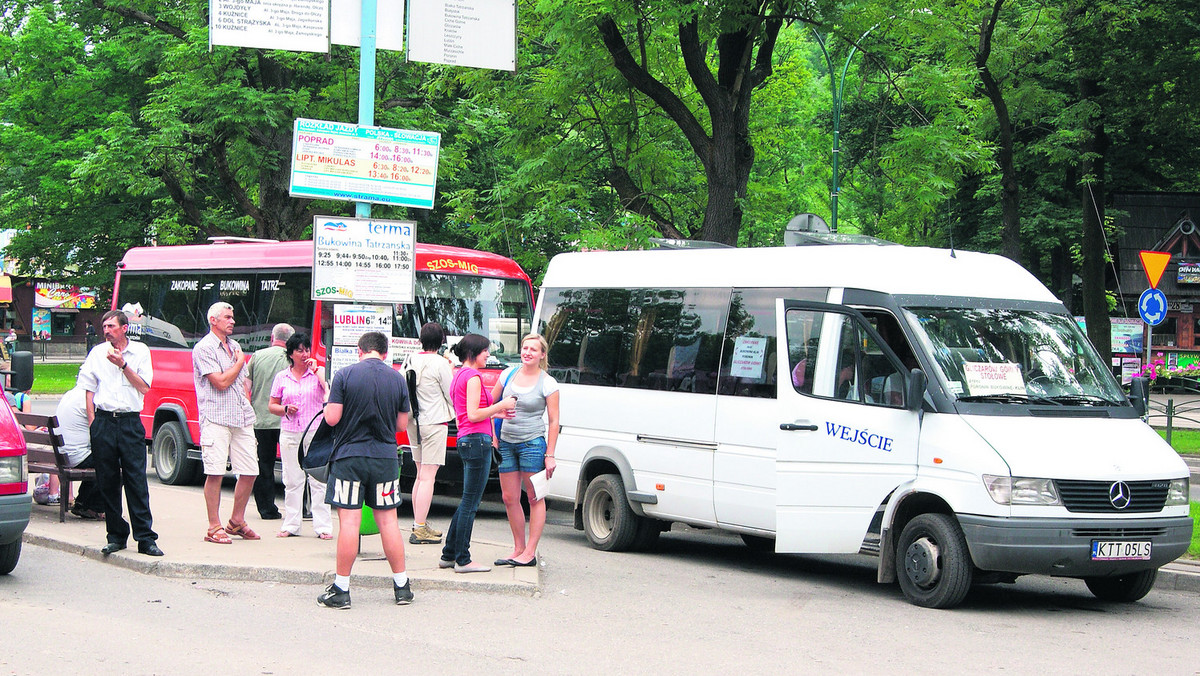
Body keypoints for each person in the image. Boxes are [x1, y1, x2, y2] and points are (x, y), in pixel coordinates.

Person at [317, 331, 413, 609]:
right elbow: (402, 426)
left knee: (349, 523)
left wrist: (327, 401)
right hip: (384, 458)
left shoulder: (345, 375)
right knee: (389, 523)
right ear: (385, 353)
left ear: (360, 350)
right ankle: (402, 586)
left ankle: (341, 589)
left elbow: (333, 418)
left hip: (350, 458)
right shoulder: (397, 378)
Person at [77, 309, 161, 557]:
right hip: (104, 421)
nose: (106, 330)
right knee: (108, 481)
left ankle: (145, 538)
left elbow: (144, 387)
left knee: (136, 480)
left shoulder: (140, 352)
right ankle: (115, 535)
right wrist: (94, 424)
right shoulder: (97, 353)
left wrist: (123, 365)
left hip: (129, 422)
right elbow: (88, 389)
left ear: (124, 328)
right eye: (104, 327)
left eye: (111, 326)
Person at [438, 333, 516, 574]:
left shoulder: (459, 374)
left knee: (466, 501)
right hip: (476, 441)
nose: (488, 356)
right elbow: (473, 414)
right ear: (473, 353)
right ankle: (463, 558)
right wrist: (501, 405)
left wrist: (494, 412)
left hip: (467, 439)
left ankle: (450, 554)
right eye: (485, 352)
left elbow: (470, 413)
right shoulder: (472, 377)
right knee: (471, 503)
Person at [192, 301, 260, 545]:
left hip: (241, 416)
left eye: (233, 317)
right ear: (214, 320)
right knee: (215, 471)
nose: (232, 321)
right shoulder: (204, 348)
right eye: (228, 317)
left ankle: (237, 521)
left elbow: (242, 383)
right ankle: (214, 526)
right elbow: (219, 382)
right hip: (216, 417)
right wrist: (240, 362)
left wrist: (247, 402)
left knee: (251, 470)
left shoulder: (234, 346)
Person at [491, 334, 559, 568]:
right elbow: (490, 405)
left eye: (533, 349)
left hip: (532, 443)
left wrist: (550, 454)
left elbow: (553, 421)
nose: (527, 352)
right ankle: (518, 548)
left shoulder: (547, 382)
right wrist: (494, 435)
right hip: (507, 442)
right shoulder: (508, 374)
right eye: (524, 347)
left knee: (534, 496)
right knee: (509, 497)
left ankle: (530, 551)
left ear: (542, 354)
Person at [268, 332, 332, 539]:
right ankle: (292, 524)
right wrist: (285, 408)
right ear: (291, 353)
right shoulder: (282, 377)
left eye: (306, 349)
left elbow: (328, 391)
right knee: (292, 479)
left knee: (318, 479)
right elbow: (272, 405)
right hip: (290, 431)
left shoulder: (317, 372)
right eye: (299, 350)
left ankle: (323, 526)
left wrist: (317, 371)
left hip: (314, 431)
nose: (304, 354)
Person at [402, 322, 454, 545]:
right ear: (442, 340)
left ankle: (418, 523)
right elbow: (451, 394)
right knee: (428, 477)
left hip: (413, 421)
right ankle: (420, 527)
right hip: (434, 422)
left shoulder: (409, 359)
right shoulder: (441, 364)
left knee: (420, 474)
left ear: (420, 339)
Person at [245, 323, 295, 520]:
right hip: (288, 420)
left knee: (263, 465)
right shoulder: (293, 359)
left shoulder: (257, 356)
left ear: (272, 338)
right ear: (290, 340)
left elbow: (245, 387)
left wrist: (251, 409)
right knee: (293, 465)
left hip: (262, 421)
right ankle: (299, 508)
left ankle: (266, 509)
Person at [54, 385, 105, 520]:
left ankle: (82, 502)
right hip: (76, 456)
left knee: (101, 457)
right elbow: (98, 432)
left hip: (62, 455)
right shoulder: (91, 399)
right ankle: (93, 507)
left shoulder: (70, 394)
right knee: (113, 460)